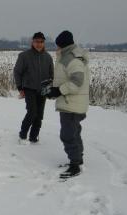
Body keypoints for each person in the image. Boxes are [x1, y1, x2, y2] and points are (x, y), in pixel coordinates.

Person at [45, 30, 90, 179]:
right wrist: (53, 89)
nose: (56, 48)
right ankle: (77, 159)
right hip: (73, 103)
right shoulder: (68, 56)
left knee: (68, 135)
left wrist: (58, 91)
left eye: (57, 45)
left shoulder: (71, 59)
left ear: (62, 45)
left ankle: (75, 165)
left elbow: (77, 81)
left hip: (72, 104)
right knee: (75, 132)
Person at [14, 32, 54, 144]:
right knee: (32, 112)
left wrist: (50, 88)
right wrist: (19, 87)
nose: (39, 44)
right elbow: (17, 72)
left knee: (39, 115)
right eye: (37, 41)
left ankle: (33, 137)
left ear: (44, 43)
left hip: (43, 90)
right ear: (32, 42)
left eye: (41, 42)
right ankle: (22, 135)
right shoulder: (24, 56)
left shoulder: (48, 57)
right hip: (29, 88)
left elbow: (52, 75)